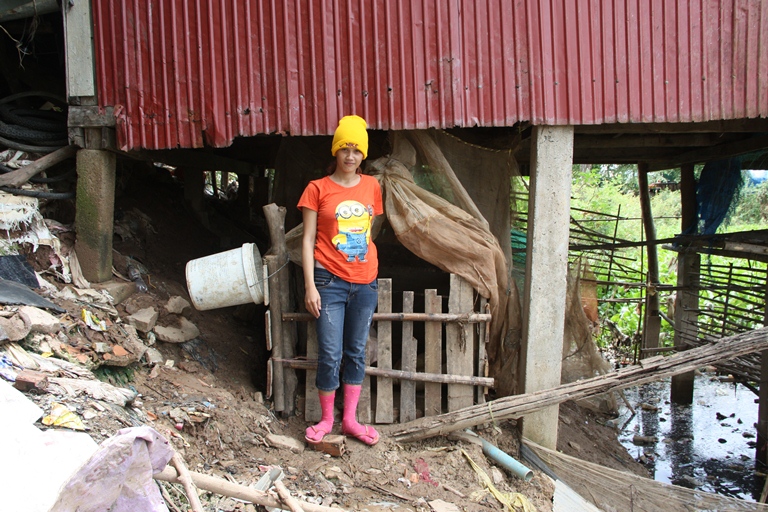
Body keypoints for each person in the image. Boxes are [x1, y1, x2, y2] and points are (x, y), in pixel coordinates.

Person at [298, 115, 383, 446]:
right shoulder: (317, 189)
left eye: (357, 150)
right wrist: (310, 286)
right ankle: (327, 420)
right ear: (335, 151)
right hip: (328, 281)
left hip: (365, 282)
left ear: (363, 154)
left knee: (356, 350)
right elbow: (307, 240)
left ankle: (350, 420)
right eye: (345, 148)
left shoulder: (372, 187)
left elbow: (368, 231)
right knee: (330, 352)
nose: (351, 156)